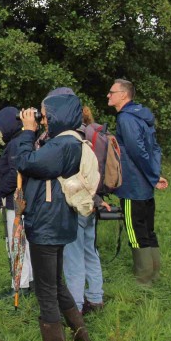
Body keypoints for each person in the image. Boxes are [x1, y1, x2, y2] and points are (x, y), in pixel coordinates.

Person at [9, 91, 92, 341]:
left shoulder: (62, 144)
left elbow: (25, 162)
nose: (42, 120)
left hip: (47, 223)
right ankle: (83, 338)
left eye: (45, 115)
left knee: (46, 290)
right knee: (56, 283)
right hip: (57, 220)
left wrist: (27, 131)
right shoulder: (69, 141)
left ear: (58, 115)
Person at [107, 79, 168, 286]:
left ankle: (143, 281)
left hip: (133, 187)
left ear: (124, 95)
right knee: (148, 230)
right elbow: (155, 149)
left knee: (136, 232)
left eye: (112, 92)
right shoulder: (141, 116)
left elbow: (137, 151)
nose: (108, 95)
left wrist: (151, 175)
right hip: (145, 186)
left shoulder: (126, 118)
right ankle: (154, 274)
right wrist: (155, 174)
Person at [64, 105, 111, 315]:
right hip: (94, 201)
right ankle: (96, 297)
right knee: (90, 251)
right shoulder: (94, 135)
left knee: (73, 254)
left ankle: (76, 306)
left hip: (75, 202)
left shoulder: (70, 140)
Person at [0, 107, 33, 297]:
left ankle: (20, 285)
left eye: (1, 126)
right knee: (25, 242)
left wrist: (1, 192)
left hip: (16, 200)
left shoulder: (16, 143)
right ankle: (30, 280)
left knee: (17, 243)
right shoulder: (21, 140)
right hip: (23, 199)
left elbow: (14, 173)